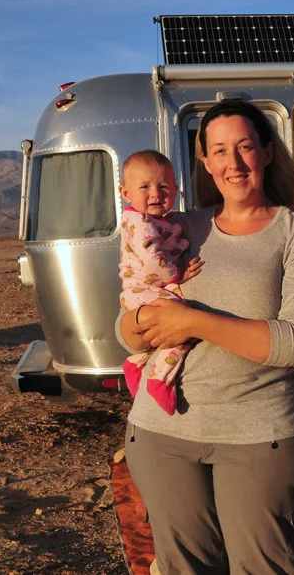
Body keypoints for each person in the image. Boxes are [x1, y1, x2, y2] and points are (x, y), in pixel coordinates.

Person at [117, 99, 294, 574]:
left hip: (261, 438)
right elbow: (127, 328)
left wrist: (191, 322)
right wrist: (142, 321)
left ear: (267, 152)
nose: (233, 162)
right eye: (218, 151)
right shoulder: (178, 227)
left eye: (245, 147)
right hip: (161, 434)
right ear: (206, 162)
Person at [117, 149, 203, 415]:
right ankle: (159, 378)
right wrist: (178, 275)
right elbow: (152, 262)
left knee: (163, 329)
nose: (155, 193)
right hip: (146, 289)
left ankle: (137, 362)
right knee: (180, 326)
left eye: (163, 186)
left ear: (175, 190)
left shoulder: (157, 220)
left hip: (146, 289)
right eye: (145, 187)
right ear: (126, 193)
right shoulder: (140, 223)